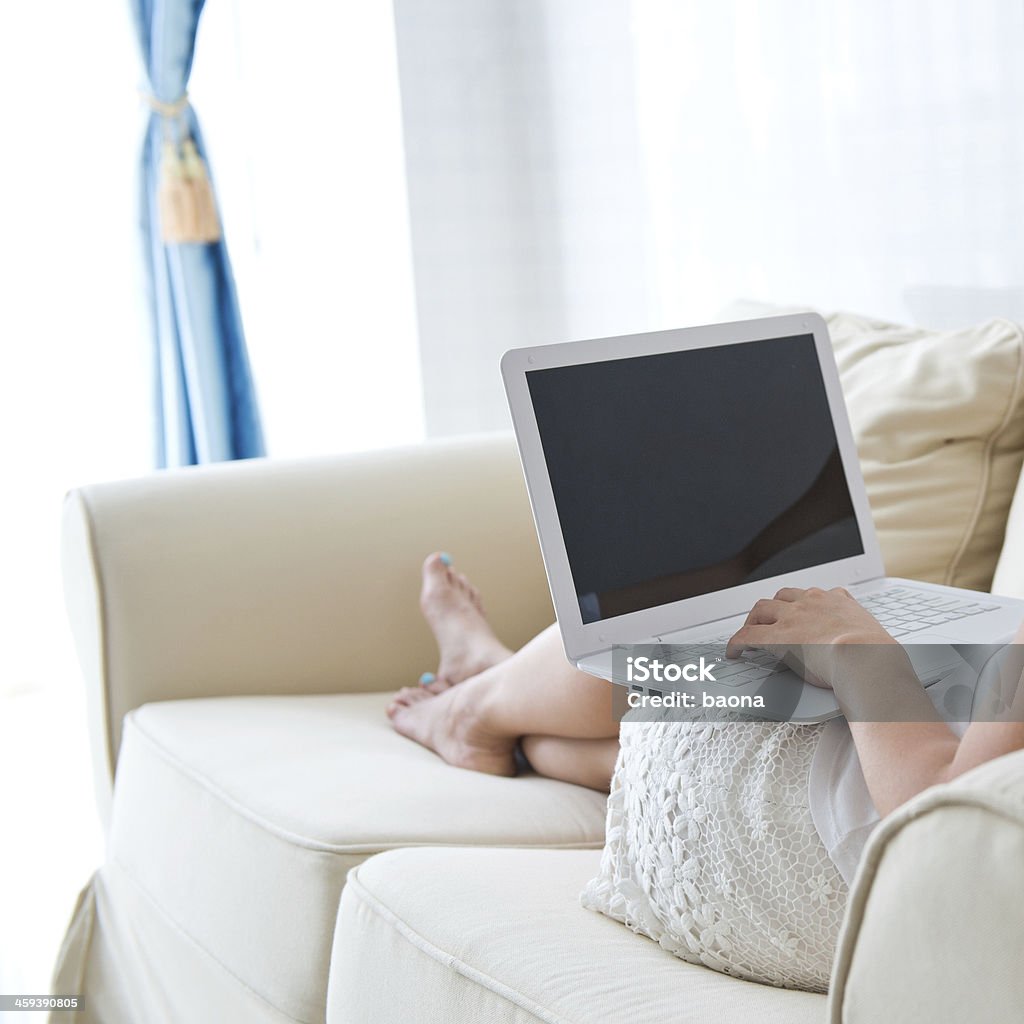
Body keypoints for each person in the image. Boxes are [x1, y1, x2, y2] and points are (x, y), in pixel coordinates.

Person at [389, 552, 1024, 815]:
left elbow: (947, 820)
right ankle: (506, 706)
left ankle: (475, 703)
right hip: (876, 784)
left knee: (683, 641)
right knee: (683, 699)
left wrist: (855, 650)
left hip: (847, 841)